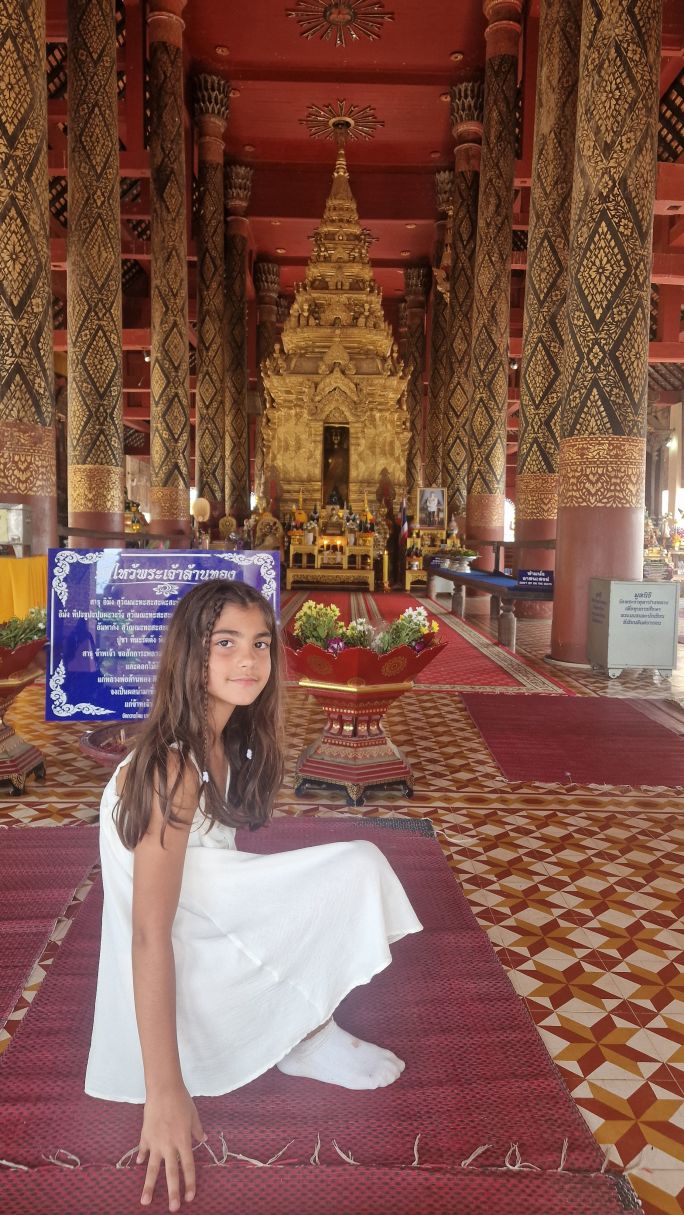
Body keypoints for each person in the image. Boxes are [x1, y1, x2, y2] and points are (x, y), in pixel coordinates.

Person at [85, 580, 422, 1213]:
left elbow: (219, 866)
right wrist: (165, 1093)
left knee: (347, 872)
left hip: (207, 919)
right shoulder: (170, 769)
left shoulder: (224, 739)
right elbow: (148, 933)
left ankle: (304, 1030)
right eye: (226, 643)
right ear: (191, 654)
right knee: (354, 867)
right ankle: (302, 1035)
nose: (248, 660)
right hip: (180, 954)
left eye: (261, 644)